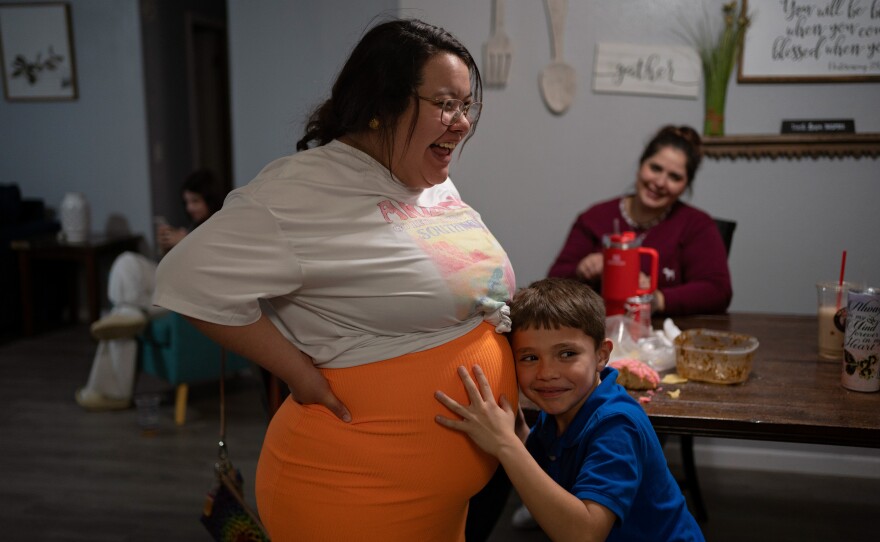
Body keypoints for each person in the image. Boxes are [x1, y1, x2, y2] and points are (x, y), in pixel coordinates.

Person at [153, 18, 517, 541]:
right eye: (444, 104)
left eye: (466, 106)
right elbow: (186, 280)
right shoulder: (300, 191)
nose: (461, 123)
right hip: (350, 489)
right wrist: (296, 371)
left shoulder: (428, 179)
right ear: (381, 103)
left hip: (442, 497)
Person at [435, 278, 705, 541]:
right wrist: (517, 432)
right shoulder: (561, 414)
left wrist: (506, 445)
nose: (547, 373)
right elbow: (544, 466)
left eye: (567, 354)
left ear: (601, 355)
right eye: (530, 358)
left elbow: (585, 534)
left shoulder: (617, 425)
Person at [74, 170, 222, 411]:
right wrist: (169, 249)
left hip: (189, 295)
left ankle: (111, 393)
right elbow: (175, 267)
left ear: (210, 198)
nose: (190, 207)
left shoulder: (220, 224)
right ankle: (129, 315)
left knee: (123, 313)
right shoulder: (193, 227)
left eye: (195, 201)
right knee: (126, 262)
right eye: (187, 202)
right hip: (171, 286)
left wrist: (187, 241)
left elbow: (210, 270)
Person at [548, 125, 732, 316]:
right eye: (655, 168)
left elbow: (718, 290)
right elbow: (553, 280)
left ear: (685, 186)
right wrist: (583, 269)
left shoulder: (696, 224)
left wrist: (657, 299)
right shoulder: (595, 217)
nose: (660, 183)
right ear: (641, 165)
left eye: (674, 177)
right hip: (597, 330)